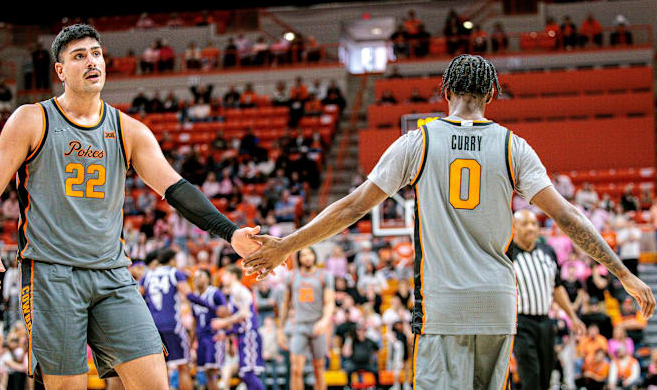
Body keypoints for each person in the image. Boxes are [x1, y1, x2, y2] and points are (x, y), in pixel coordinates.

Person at [242, 54, 656, 390]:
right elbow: (567, 216)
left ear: (445, 90)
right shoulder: (515, 146)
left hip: (444, 305)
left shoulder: (418, 141)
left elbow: (352, 207)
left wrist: (287, 244)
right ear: (491, 94)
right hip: (496, 303)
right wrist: (623, 274)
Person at [0, 24, 260, 390]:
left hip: (111, 273)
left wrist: (230, 233)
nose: (91, 61)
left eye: (96, 53)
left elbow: (176, 189)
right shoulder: (32, 119)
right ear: (60, 71)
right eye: (78, 56)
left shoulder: (129, 130)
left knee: (155, 383)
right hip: (50, 272)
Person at [510, 209, 586, 390]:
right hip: (521, 323)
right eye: (525, 224)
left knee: (546, 374)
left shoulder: (547, 252)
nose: (531, 228)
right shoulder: (508, 255)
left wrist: (573, 316)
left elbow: (557, 288)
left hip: (545, 321)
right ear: (513, 228)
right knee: (531, 375)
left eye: (534, 223)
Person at [278, 247, 334, 390]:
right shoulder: (291, 276)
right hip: (299, 325)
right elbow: (285, 304)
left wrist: (325, 321)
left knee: (319, 369)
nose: (307, 257)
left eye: (309, 254)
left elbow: (329, 303)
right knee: (296, 369)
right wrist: (280, 329)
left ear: (314, 256)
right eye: (303, 255)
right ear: (299, 259)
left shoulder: (324, 275)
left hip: (317, 325)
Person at [140, 248, 192, 390]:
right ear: (171, 260)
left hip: (153, 328)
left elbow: (137, 299)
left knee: (159, 369)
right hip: (172, 325)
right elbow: (189, 295)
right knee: (183, 367)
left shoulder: (147, 275)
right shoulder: (174, 272)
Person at [211, 265, 264, 390]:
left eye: (224, 275)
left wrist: (223, 322)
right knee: (245, 374)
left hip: (249, 334)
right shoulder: (234, 292)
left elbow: (244, 314)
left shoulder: (239, 290)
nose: (222, 278)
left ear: (233, 276)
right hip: (242, 335)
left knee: (247, 374)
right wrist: (226, 333)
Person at [187, 268, 228, 390]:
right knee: (205, 372)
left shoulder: (215, 293)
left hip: (213, 336)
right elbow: (194, 321)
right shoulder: (194, 297)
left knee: (212, 371)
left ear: (208, 278)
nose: (197, 278)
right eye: (196, 276)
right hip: (201, 337)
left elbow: (226, 313)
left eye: (201, 275)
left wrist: (228, 338)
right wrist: (190, 342)